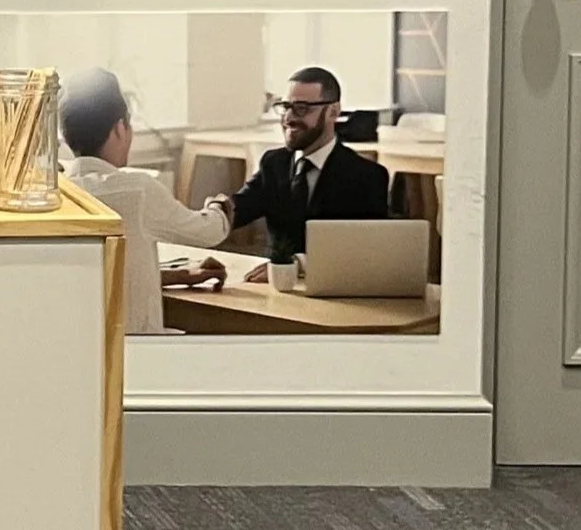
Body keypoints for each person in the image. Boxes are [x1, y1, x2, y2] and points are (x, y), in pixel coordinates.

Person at [59, 70, 235, 337]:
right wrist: (218, 207)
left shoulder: (60, 192)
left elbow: (109, 275)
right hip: (138, 353)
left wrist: (182, 275)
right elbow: (210, 231)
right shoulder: (137, 191)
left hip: (82, 348)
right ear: (120, 128)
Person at [228, 65, 390, 271]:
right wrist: (216, 210)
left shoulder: (367, 177)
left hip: (339, 291)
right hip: (278, 291)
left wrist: (297, 265)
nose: (289, 118)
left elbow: (365, 252)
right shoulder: (274, 163)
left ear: (333, 112)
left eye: (302, 108)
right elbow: (240, 207)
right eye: (286, 106)